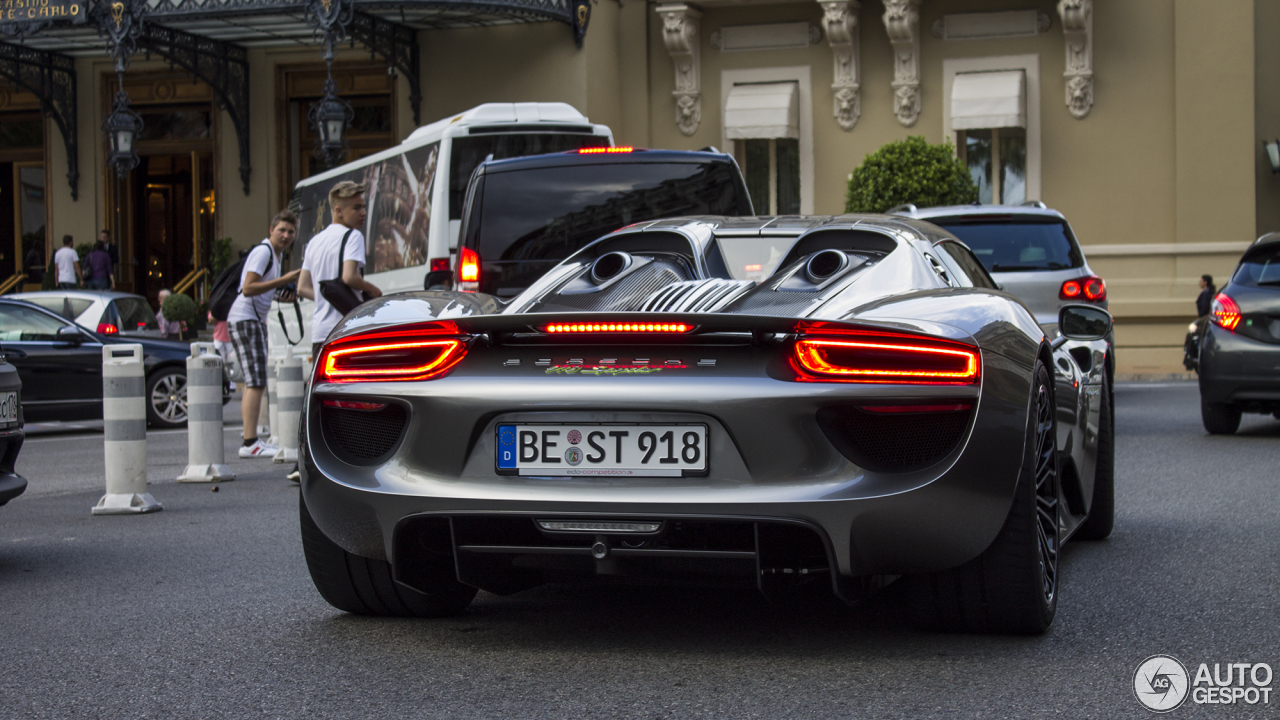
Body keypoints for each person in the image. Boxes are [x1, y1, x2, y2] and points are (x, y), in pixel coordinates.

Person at [227, 210, 302, 458]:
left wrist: (283, 294)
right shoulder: (264, 252)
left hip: (251, 319)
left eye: (290, 232)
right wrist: (283, 280)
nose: (286, 235)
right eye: (281, 230)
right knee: (256, 381)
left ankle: (251, 440)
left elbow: (260, 290)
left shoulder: (275, 256)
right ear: (271, 230)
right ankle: (250, 442)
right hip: (246, 318)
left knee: (255, 380)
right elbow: (248, 288)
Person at [297, 180, 382, 360]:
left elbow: (302, 287)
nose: (363, 213)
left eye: (364, 207)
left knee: (325, 386)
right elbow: (349, 277)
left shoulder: (315, 241)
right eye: (356, 208)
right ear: (338, 211)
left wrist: (326, 297)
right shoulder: (353, 236)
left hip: (320, 333)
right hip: (346, 328)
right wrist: (373, 290)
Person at [210, 310, 235, 392]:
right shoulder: (217, 306)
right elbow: (210, 320)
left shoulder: (231, 305)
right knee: (218, 361)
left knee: (231, 362)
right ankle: (219, 382)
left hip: (230, 337)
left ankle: (232, 383)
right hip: (218, 337)